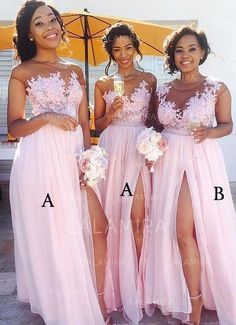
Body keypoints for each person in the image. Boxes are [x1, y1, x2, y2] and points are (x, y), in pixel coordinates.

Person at [8, 1, 109, 324]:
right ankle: (70, 312)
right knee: (58, 236)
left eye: (52, 19)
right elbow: (14, 127)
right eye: (39, 23)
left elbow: (83, 123)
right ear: (29, 34)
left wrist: (88, 160)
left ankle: (97, 303)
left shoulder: (74, 70)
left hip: (73, 159)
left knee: (98, 227)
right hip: (39, 160)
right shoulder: (22, 72)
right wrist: (47, 116)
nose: (50, 26)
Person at [145, 26, 236, 325]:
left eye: (192, 49)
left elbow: (227, 125)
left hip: (199, 159)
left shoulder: (217, 87)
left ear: (203, 52)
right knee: (178, 232)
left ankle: (196, 303)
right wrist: (150, 142)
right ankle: (184, 292)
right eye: (179, 50)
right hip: (168, 159)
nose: (186, 55)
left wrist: (211, 131)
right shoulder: (163, 90)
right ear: (172, 55)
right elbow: (155, 125)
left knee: (186, 232)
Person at [94, 23, 157, 323]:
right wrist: (111, 113)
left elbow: (156, 119)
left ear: (135, 48)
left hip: (138, 149)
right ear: (110, 52)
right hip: (112, 149)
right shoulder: (103, 83)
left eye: (128, 48)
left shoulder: (149, 79)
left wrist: (153, 143)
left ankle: (142, 284)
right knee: (113, 216)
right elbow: (97, 126)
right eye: (116, 50)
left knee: (138, 217)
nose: (122, 55)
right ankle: (116, 286)